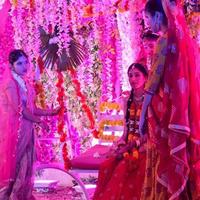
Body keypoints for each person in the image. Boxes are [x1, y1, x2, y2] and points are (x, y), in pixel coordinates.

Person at [139, 0, 200, 199]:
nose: (147, 23)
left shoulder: (164, 41)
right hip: (181, 112)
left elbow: (152, 85)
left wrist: (142, 117)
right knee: (181, 157)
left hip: (164, 114)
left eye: (148, 17)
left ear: (158, 16)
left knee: (164, 157)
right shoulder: (184, 39)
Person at [0, 49, 60, 200]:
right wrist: (39, 122)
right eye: (19, 63)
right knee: (16, 168)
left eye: (26, 62)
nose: (24, 66)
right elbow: (20, 109)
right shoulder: (10, 84)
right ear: (11, 65)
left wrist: (51, 112)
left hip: (26, 132)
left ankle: (21, 196)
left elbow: (32, 109)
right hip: (15, 134)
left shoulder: (24, 83)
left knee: (26, 168)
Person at [93, 63, 148, 200]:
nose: (133, 79)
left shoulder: (150, 100)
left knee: (125, 168)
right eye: (130, 75)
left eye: (137, 75)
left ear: (146, 78)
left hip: (144, 147)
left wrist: (132, 145)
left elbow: (151, 133)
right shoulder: (127, 100)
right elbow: (125, 132)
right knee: (106, 166)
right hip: (128, 145)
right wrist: (119, 144)